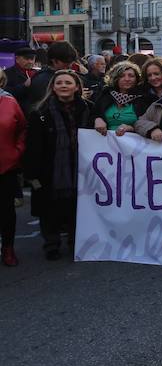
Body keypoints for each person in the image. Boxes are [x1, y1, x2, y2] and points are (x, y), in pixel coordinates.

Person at [24, 70, 92, 260]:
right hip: (50, 168)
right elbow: (33, 145)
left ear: (76, 87)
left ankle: (74, 241)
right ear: (53, 87)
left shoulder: (88, 109)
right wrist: (32, 173)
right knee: (49, 210)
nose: (63, 86)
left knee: (76, 207)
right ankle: (51, 244)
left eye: (68, 83)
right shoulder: (40, 113)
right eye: (59, 83)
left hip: (79, 166)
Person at [0, 69, 26, 266]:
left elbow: (22, 129)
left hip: (5, 165)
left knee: (6, 210)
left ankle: (8, 248)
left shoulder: (9, 102)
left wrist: (16, 151)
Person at [91, 61, 150, 137]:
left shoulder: (144, 99)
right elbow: (92, 115)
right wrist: (97, 119)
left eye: (131, 76)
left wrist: (132, 128)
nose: (127, 79)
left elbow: (149, 123)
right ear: (115, 78)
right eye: (122, 76)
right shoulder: (105, 96)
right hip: (105, 143)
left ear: (137, 79)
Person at [27, 42, 79, 115]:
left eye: (71, 62)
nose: (69, 65)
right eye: (65, 62)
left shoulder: (62, 74)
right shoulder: (42, 79)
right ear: (54, 60)